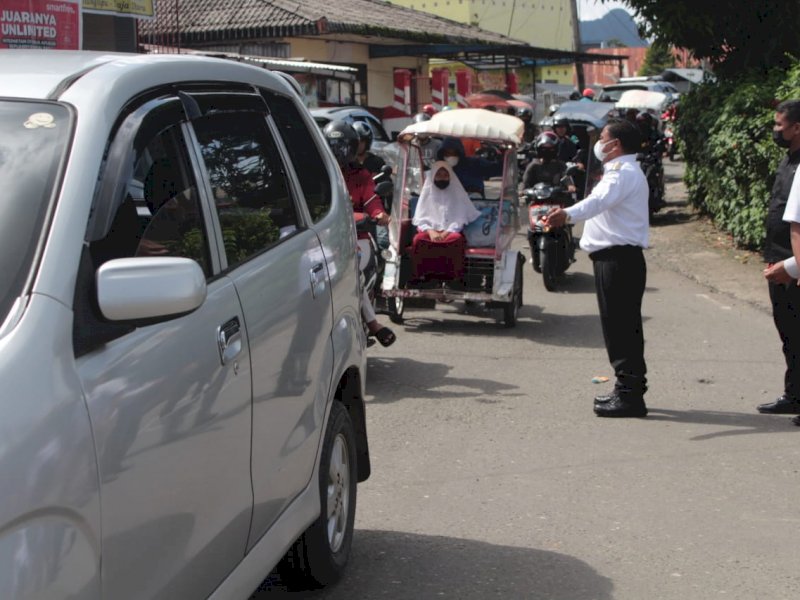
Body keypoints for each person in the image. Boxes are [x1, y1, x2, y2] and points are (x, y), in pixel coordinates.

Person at [546, 119, 650, 418]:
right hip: (617, 259)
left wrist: (565, 214)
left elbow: (596, 202)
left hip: (618, 260)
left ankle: (630, 396)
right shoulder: (623, 171)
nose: (599, 143)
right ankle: (627, 389)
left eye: (603, 137)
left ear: (615, 144)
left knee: (621, 329)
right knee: (621, 327)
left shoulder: (621, 174)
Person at [322, 120, 396, 348]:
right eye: (333, 146)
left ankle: (373, 324)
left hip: (358, 237)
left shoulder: (362, 175)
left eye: (343, 147)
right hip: (324, 238)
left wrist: (379, 214)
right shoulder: (319, 175)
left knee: (351, 271)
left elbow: (372, 201)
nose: (338, 152)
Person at [760, 100, 800, 417]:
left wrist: (792, 266)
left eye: (779, 125)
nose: (775, 130)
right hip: (779, 259)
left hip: (793, 263)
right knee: (788, 332)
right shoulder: (788, 160)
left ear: (797, 127)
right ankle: (794, 394)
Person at [411, 161, 481, 284]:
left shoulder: (457, 193)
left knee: (456, 239)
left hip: (450, 232)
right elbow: (421, 218)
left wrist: (446, 233)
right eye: (438, 175)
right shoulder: (427, 193)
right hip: (429, 231)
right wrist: (431, 231)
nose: (442, 178)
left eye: (445, 175)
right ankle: (423, 278)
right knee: (419, 240)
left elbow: (460, 218)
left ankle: (453, 279)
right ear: (433, 176)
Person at [436, 137, 503, 195]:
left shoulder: (475, 164)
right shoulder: (439, 169)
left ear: (459, 152)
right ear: (442, 154)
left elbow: (496, 169)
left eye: (454, 153)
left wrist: (503, 158)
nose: (451, 156)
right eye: (447, 154)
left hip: (475, 202)